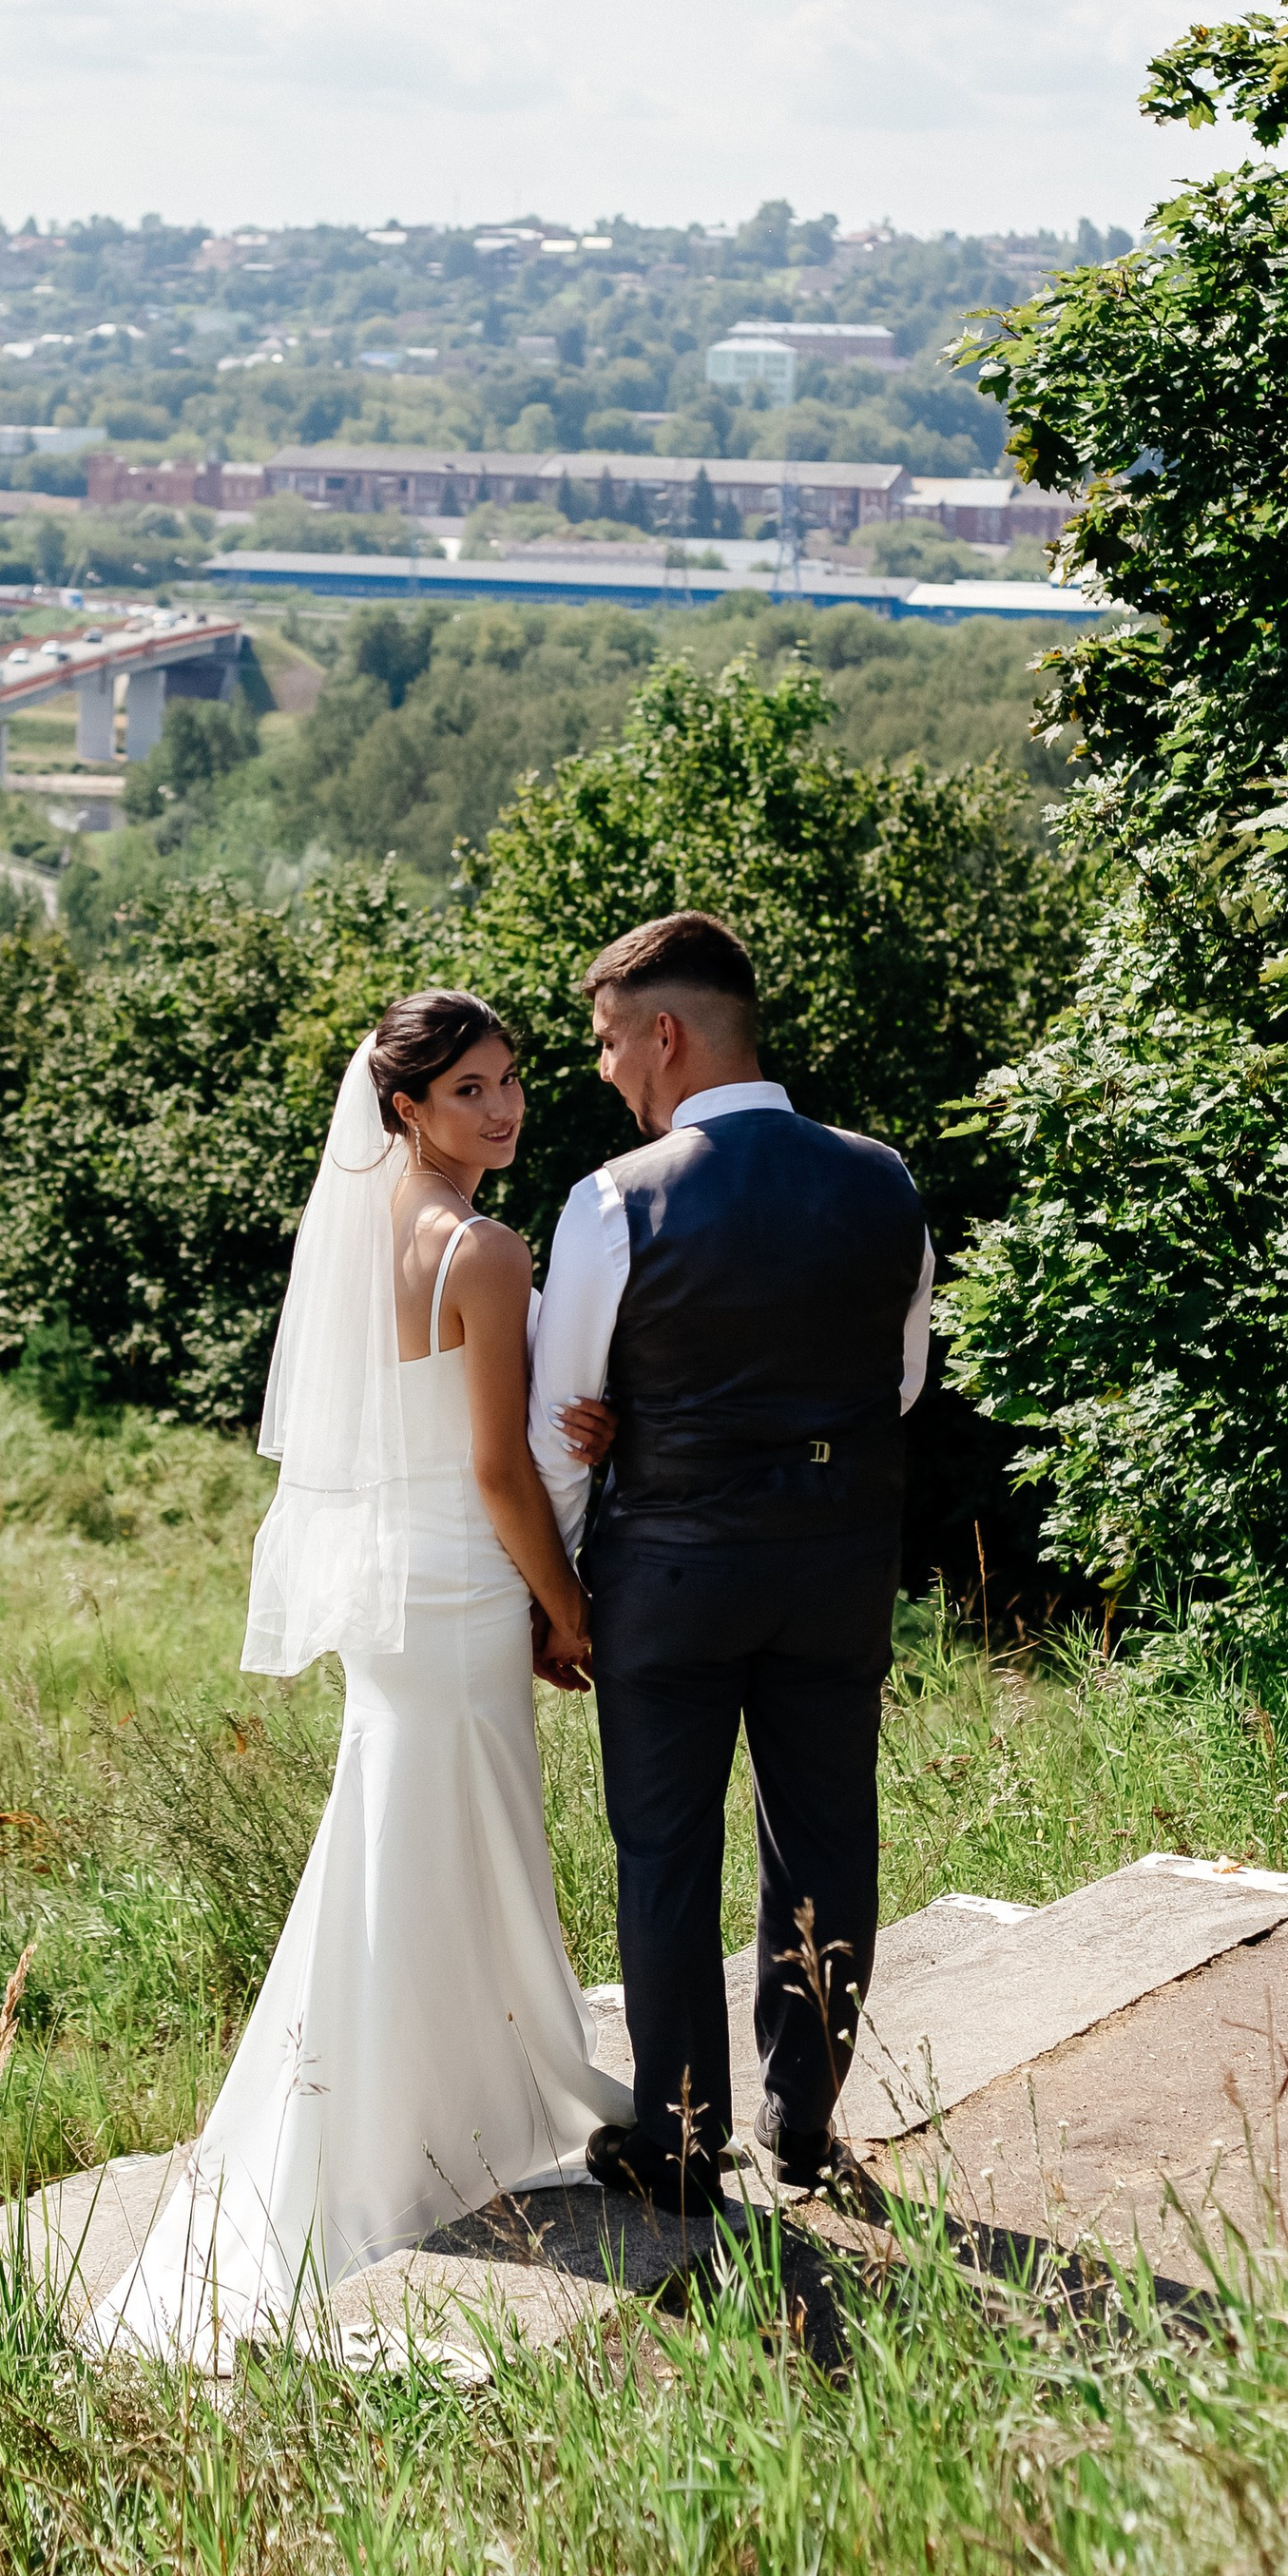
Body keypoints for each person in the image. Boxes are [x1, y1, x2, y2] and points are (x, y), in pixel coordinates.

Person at [82, 989, 631, 2366]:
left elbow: (422, 1432)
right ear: (403, 1107)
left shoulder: (359, 1229)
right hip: (454, 1593)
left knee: (410, 1851)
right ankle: (425, 2147)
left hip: (397, 1594)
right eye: (469, 1092)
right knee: (452, 1848)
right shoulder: (486, 1247)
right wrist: (566, 1612)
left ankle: (431, 2118)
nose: (503, 1109)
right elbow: (499, 1469)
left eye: (509, 1082)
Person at [529, 912, 932, 2211]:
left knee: (665, 1852)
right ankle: (804, 2130)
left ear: (667, 1035)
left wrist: (562, 1594)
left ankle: (683, 2140)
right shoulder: (885, 1180)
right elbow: (902, 1385)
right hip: (836, 1563)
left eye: (605, 1044)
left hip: (672, 1575)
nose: (602, 1073)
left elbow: (562, 1424)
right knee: (827, 1840)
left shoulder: (613, 1201)